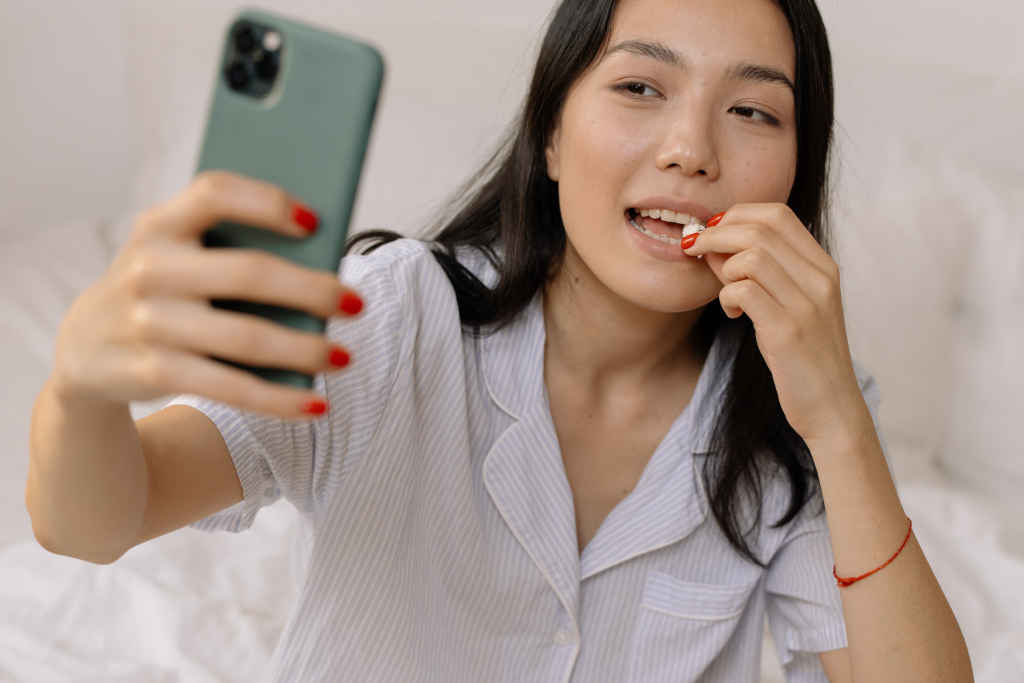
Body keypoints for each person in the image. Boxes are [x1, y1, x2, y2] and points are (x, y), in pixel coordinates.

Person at [27, 0, 973, 680]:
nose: (693, 148)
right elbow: (97, 518)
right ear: (552, 138)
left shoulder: (798, 417)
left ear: (795, 174)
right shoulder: (396, 315)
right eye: (642, 85)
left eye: (754, 110)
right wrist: (81, 390)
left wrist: (842, 423)